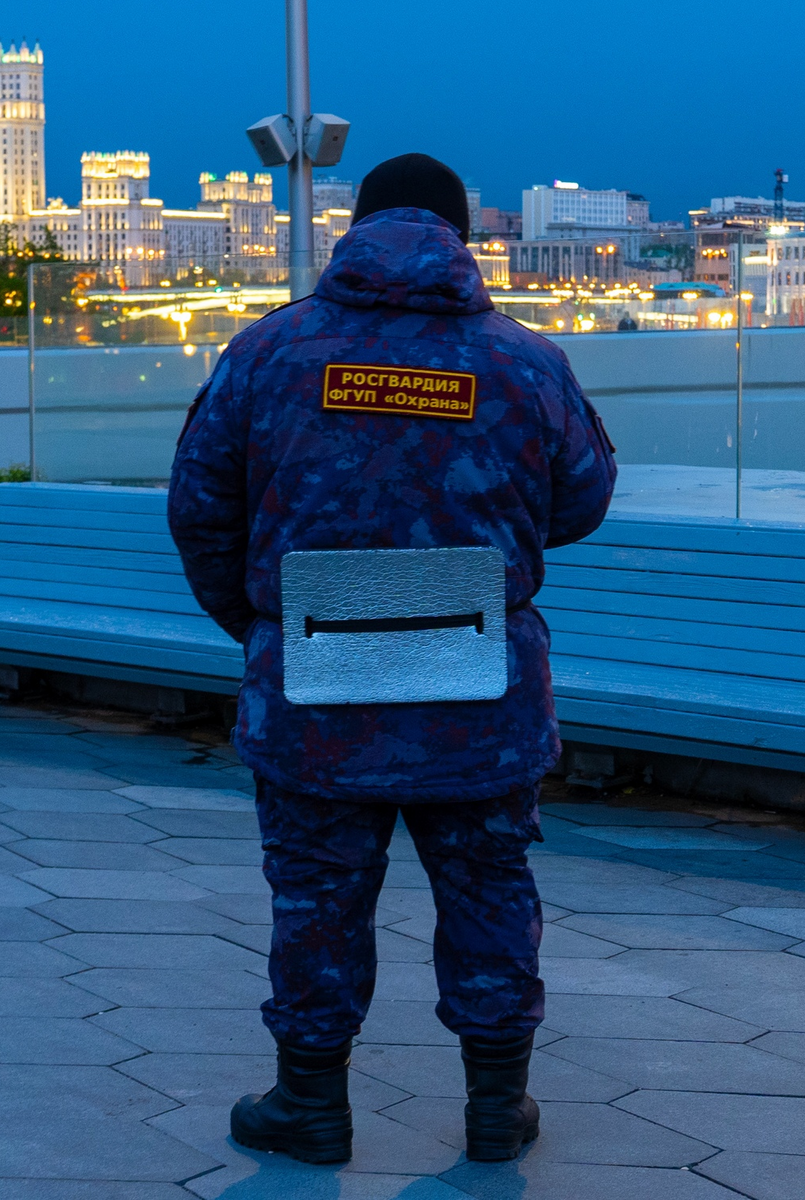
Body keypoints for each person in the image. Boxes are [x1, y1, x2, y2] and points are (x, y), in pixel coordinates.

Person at [168, 152, 617, 1166]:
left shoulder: (267, 353)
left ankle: (310, 1104)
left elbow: (198, 509)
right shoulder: (523, 361)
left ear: (351, 228)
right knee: (490, 883)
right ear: (463, 238)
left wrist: (264, 628)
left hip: (318, 682)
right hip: (479, 687)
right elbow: (582, 498)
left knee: (316, 894)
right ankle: (496, 1106)